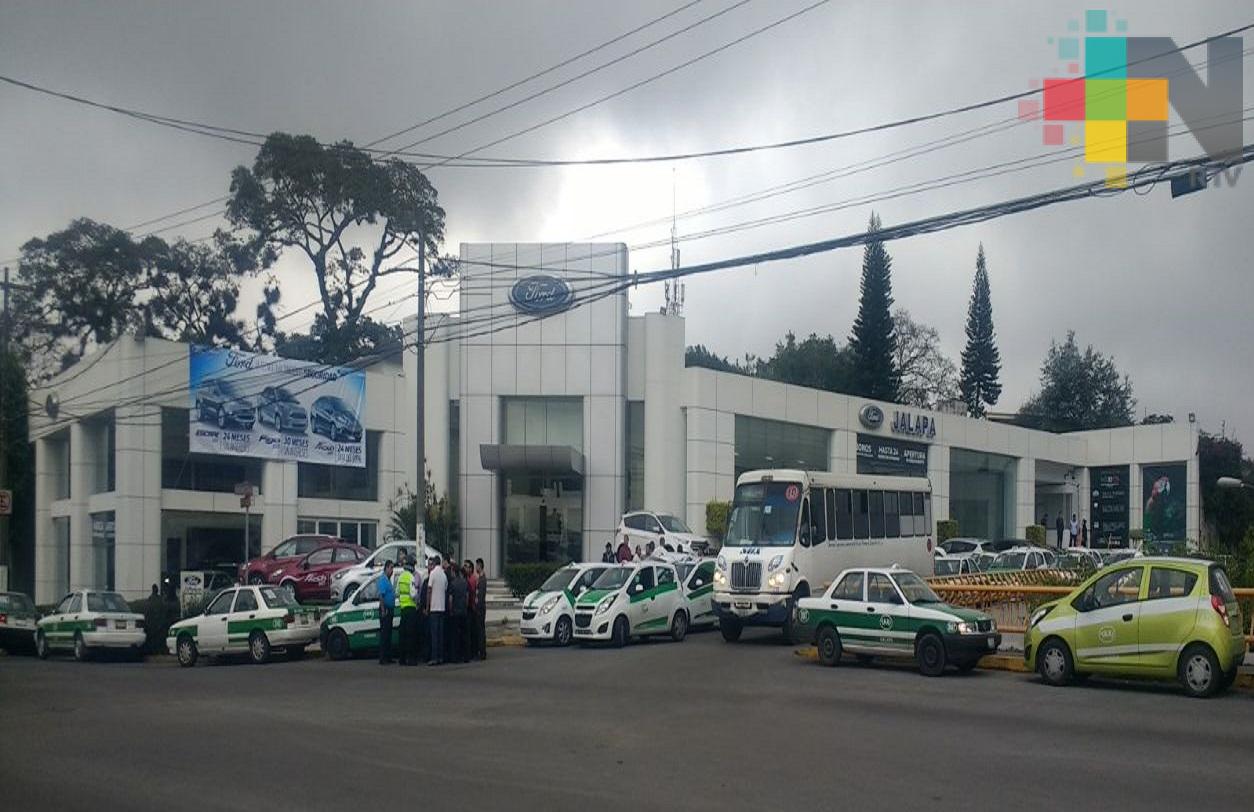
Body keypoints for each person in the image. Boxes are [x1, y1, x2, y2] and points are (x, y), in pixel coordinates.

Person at [396, 556, 420, 666]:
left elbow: (397, 592)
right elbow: (413, 594)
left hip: (403, 608)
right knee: (411, 635)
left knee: (403, 635)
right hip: (411, 607)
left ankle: (402, 659)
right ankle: (411, 659)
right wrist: (417, 600)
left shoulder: (400, 577)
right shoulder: (411, 577)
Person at [426, 555, 447, 666]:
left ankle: (434, 657)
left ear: (434, 563)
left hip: (434, 608)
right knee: (440, 634)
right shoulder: (443, 575)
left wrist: (427, 606)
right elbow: (445, 589)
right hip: (442, 608)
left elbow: (429, 590)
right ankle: (440, 657)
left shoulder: (433, 574)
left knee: (434, 634)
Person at [376, 560, 397, 665]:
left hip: (389, 608)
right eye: (391, 568)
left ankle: (388, 657)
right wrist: (383, 610)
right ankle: (383, 658)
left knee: (388, 634)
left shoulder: (388, 580)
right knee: (384, 634)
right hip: (386, 609)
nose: (392, 571)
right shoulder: (383, 579)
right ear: (387, 568)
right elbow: (381, 596)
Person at [449, 561, 469, 663]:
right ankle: (465, 656)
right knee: (464, 635)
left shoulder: (452, 584)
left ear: (454, 572)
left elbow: (451, 599)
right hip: (463, 612)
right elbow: (467, 597)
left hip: (455, 612)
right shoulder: (464, 582)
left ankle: (456, 657)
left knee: (455, 636)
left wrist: (451, 610)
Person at [463, 560, 478, 662]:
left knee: (471, 632)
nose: (465, 568)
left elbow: (471, 593)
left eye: (467, 566)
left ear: (471, 569)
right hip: (468, 608)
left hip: (471, 608)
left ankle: (473, 652)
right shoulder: (466, 578)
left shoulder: (472, 579)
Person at [475, 558, 487, 660]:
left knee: (480, 630)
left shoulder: (482, 579)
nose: (476, 568)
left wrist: (477, 604)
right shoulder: (480, 578)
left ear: (480, 566)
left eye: (476, 566)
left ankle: (482, 652)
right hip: (480, 607)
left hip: (480, 608)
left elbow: (481, 595)